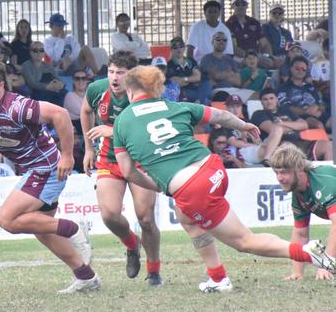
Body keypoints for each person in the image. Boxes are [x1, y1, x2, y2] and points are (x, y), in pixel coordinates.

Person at [113, 65, 334, 293]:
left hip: (193, 187)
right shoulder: (175, 106)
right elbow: (218, 115)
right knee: (186, 217)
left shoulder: (121, 122)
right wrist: (244, 125)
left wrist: (162, 185)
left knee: (244, 241)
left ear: (130, 91)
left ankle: (308, 253)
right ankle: (217, 278)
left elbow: (128, 172)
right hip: (213, 167)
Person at [0, 59, 100, 294]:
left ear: (1, 86)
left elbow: (60, 114)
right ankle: (86, 276)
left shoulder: (18, 106)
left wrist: (68, 156)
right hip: (32, 169)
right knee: (42, 230)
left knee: (6, 219)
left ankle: (74, 227)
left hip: (46, 167)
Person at [80, 51, 162, 286]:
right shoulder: (97, 89)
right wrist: (88, 148)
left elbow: (148, 128)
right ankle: (132, 245)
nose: (114, 78)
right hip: (109, 158)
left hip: (142, 159)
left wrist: (112, 130)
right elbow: (86, 111)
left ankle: (154, 271)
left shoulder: (146, 94)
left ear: (133, 76)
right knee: (109, 215)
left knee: (145, 218)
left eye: (121, 73)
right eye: (111, 71)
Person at [269, 143, 336, 281]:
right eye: (277, 172)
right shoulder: (298, 194)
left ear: (299, 168)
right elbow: (300, 234)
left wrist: (326, 266)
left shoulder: (322, 181)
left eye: (284, 172)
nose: (279, 178)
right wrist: (297, 273)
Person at [251, 88, 332, 161]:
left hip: (302, 143)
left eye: (271, 98)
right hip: (281, 145)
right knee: (285, 142)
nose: (269, 101)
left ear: (276, 99)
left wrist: (282, 123)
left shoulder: (285, 111)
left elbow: (304, 125)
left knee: (329, 145)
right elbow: (273, 129)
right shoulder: (258, 114)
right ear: (261, 102)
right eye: (265, 99)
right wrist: (295, 127)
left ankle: (330, 174)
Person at [225, 0, 272, 67]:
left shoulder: (254, 22)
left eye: (243, 4)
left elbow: (264, 43)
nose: (241, 7)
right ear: (232, 6)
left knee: (271, 62)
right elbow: (233, 47)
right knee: (246, 63)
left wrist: (268, 56)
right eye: (237, 4)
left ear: (247, 6)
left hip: (256, 56)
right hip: (238, 57)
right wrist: (250, 57)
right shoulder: (228, 24)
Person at [167, 36, 211, 104]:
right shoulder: (169, 64)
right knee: (204, 98)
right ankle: (200, 102)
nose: (179, 49)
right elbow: (176, 82)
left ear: (184, 48)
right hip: (183, 91)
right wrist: (191, 79)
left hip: (195, 88)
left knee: (206, 83)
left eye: (181, 46)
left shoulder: (191, 61)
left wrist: (183, 79)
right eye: (175, 47)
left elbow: (197, 77)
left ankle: (200, 102)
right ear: (171, 50)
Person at [21, 41, 66, 106]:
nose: (39, 53)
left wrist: (61, 84)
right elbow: (32, 83)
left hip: (51, 90)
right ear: (31, 52)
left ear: (44, 53)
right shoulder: (26, 65)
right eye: (35, 50)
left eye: (41, 50)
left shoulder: (48, 65)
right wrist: (47, 87)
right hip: (36, 92)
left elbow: (56, 77)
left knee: (65, 93)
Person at [262, 3, 293, 69]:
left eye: (280, 13)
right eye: (274, 13)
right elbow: (264, 47)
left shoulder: (286, 33)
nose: (277, 15)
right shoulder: (264, 28)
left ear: (283, 15)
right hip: (270, 57)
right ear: (270, 14)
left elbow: (289, 47)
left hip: (285, 58)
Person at [64, 70, 89, 135]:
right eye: (77, 79)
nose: (81, 81)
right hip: (76, 126)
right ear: (73, 81)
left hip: (88, 124)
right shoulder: (69, 96)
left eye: (83, 78)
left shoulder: (90, 95)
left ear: (87, 81)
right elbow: (82, 111)